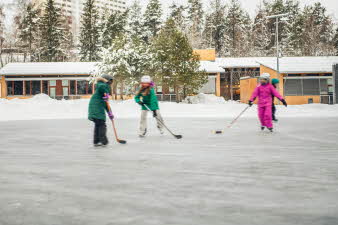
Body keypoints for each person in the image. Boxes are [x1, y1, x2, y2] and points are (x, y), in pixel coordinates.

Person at [88, 74, 114, 147]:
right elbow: (101, 86)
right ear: (107, 81)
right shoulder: (101, 86)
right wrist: (106, 88)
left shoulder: (103, 92)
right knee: (102, 124)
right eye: (110, 82)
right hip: (96, 108)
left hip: (95, 108)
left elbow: (106, 104)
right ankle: (103, 140)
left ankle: (96, 141)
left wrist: (110, 113)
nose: (110, 84)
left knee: (98, 124)